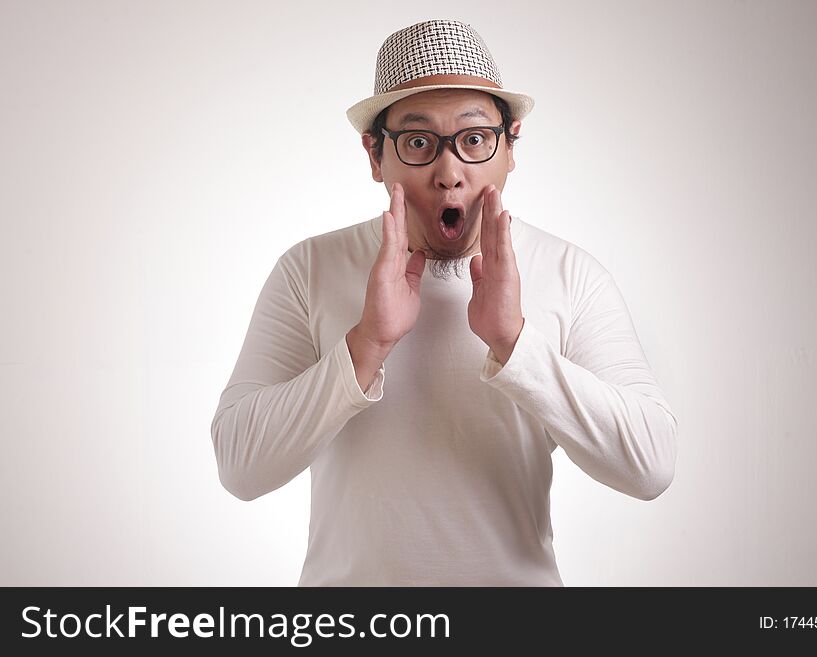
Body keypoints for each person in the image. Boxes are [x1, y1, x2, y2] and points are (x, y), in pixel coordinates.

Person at [210, 19, 678, 586]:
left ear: (511, 148)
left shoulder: (571, 274)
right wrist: (367, 345)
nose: (450, 173)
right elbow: (240, 467)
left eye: (475, 139)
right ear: (375, 155)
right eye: (418, 142)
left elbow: (651, 465)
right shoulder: (309, 269)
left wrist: (515, 345)